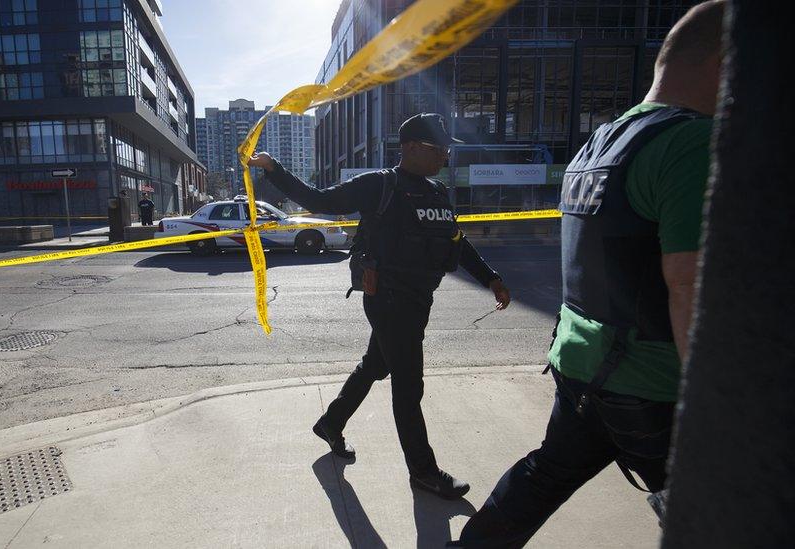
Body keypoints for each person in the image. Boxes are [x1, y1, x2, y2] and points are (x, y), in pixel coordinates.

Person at [451, 1, 725, 546]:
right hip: (653, 384)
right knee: (724, 512)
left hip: (581, 364)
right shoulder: (693, 143)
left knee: (544, 475)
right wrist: (717, 405)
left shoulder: (598, 144)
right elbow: (689, 284)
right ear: (725, 64)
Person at [248, 113, 511, 500]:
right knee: (409, 387)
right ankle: (423, 472)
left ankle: (331, 422)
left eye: (446, 149)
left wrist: (490, 277)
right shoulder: (379, 185)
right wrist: (275, 169)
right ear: (410, 149)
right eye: (438, 149)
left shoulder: (437, 193)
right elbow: (321, 200)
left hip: (419, 298)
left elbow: (456, 239)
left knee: (375, 364)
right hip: (388, 298)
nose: (445, 156)